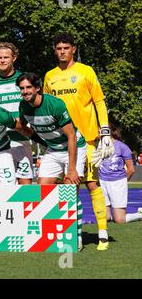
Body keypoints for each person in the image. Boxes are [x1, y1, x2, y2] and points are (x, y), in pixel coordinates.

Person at [44, 33, 111, 251]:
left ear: (73, 49)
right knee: (66, 188)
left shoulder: (86, 71)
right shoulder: (49, 77)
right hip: (61, 142)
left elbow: (99, 101)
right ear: (55, 50)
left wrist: (105, 132)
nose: (62, 51)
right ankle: (73, 234)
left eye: (66, 47)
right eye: (58, 48)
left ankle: (102, 234)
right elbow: (45, 108)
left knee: (91, 184)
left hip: (88, 138)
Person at [17, 73, 86, 250]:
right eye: (22, 88)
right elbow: (23, 127)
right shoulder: (23, 107)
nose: (25, 92)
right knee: (43, 191)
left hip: (73, 147)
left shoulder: (54, 104)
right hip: (53, 150)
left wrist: (71, 169)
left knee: (71, 191)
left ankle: (76, 237)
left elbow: (71, 135)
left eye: (28, 88)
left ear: (37, 88)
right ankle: (51, 233)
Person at [0, 43, 33, 184]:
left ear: (14, 58)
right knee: (1, 187)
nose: (2, 60)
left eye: (6, 57)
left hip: (20, 139)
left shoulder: (24, 79)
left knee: (25, 187)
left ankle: (25, 206)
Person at [98, 123, 142, 223]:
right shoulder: (98, 145)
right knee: (105, 218)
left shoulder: (122, 147)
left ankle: (139, 215)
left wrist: (122, 183)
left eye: (100, 131)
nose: (99, 133)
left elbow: (131, 169)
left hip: (118, 183)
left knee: (119, 220)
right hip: (102, 183)